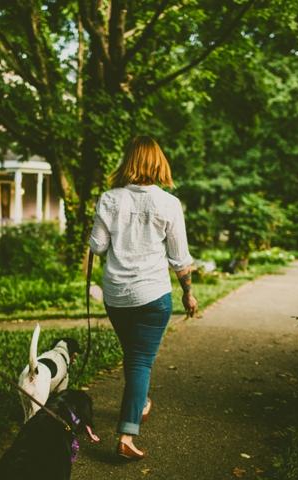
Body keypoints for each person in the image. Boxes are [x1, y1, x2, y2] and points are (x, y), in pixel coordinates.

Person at [89, 135, 197, 460]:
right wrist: (188, 293)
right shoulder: (168, 203)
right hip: (153, 296)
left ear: (128, 162)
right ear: (158, 164)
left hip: (117, 296)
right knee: (139, 362)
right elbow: (180, 259)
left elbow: (97, 246)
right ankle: (126, 435)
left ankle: (142, 402)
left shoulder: (109, 199)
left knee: (134, 358)